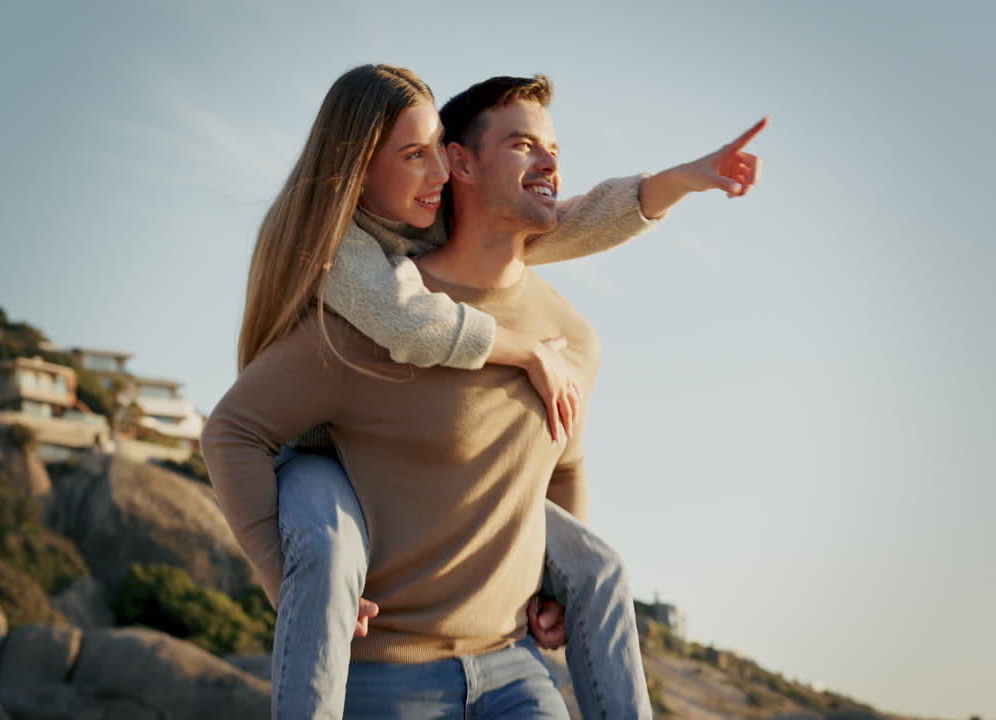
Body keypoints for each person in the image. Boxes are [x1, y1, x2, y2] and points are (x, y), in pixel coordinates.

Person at [202, 67, 765, 718]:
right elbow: (397, 327)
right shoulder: (358, 294)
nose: (549, 158)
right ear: (461, 166)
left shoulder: (567, 333)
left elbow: (582, 219)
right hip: (374, 638)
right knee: (327, 554)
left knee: (602, 570)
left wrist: (688, 178)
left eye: (433, 148)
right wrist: (283, 579)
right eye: (522, 143)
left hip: (514, 672)